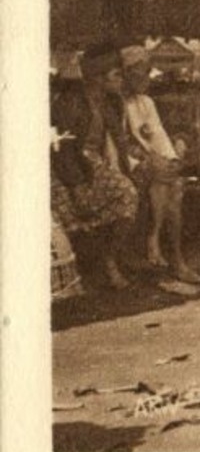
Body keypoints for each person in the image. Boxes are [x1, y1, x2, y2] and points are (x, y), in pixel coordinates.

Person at [49, 42, 140, 290]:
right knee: (126, 194)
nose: (121, 79)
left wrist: (130, 165)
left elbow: (119, 140)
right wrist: (77, 184)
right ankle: (108, 260)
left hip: (94, 163)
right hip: (70, 169)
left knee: (131, 190)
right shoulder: (72, 102)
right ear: (98, 78)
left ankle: (114, 256)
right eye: (116, 75)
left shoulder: (110, 102)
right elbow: (63, 148)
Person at [120, 47, 200, 284]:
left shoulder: (146, 102)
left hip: (151, 164)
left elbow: (158, 136)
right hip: (127, 163)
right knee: (164, 180)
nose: (146, 79)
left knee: (173, 184)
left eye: (148, 73)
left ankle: (157, 241)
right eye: (141, 73)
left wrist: (170, 160)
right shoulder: (117, 103)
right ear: (127, 74)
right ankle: (174, 259)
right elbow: (120, 145)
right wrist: (151, 161)